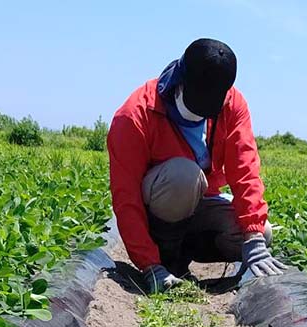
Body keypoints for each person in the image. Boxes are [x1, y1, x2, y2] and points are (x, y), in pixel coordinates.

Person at [108, 38, 286, 293]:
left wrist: (254, 239)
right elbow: (125, 197)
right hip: (157, 211)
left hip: (200, 204)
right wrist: (149, 265)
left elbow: (245, 170)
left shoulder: (231, 105)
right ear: (179, 82)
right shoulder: (136, 114)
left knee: (262, 233)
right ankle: (166, 259)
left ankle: (183, 255)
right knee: (184, 175)